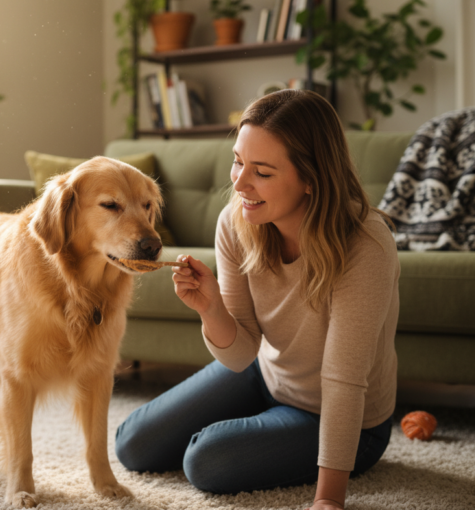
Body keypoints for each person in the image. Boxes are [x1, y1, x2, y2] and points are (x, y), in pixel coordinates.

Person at [115, 89, 400, 510]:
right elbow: (240, 355)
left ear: (311, 179)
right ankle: (266, 428)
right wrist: (211, 309)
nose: (239, 182)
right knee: (133, 444)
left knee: (206, 462)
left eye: (262, 172)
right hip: (265, 374)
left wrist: (329, 499)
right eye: (238, 161)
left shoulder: (365, 243)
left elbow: (344, 380)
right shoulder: (236, 222)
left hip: (345, 417)